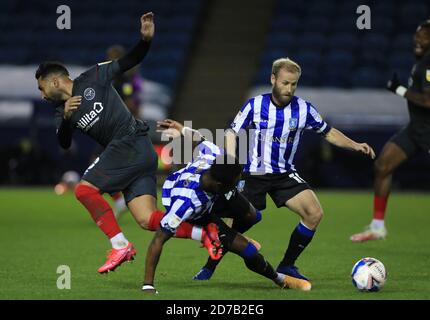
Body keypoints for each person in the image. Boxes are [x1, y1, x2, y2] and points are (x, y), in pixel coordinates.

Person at [35, 12, 215, 274]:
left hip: (129, 142)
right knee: (148, 219)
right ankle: (207, 234)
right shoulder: (61, 110)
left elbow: (131, 59)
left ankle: (120, 245)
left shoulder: (94, 77)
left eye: (41, 88)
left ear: (54, 80)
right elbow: (63, 143)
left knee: (84, 191)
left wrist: (145, 41)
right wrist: (66, 118)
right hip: (134, 154)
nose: (41, 95)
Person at [193, 57, 376, 290]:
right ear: (273, 79)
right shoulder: (255, 105)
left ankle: (287, 265)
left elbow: (328, 132)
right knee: (236, 228)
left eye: (293, 84)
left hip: (285, 175)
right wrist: (230, 163)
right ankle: (209, 267)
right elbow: (231, 132)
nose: (289, 89)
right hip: (254, 175)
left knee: (314, 213)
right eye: (285, 83)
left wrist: (355, 144)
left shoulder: (304, 109)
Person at [142, 122, 310, 294]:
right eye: (233, 184)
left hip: (212, 196)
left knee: (253, 216)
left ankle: (226, 238)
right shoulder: (184, 205)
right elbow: (157, 241)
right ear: (221, 184)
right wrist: (148, 285)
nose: (236, 186)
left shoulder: (214, 158)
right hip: (199, 215)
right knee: (249, 252)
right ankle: (280, 279)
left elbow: (202, 139)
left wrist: (183, 129)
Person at [351, 20, 430, 242]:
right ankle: (377, 227)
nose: (418, 39)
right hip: (416, 129)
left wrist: (399, 89)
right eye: (417, 34)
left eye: (424, 35)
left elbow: (427, 100)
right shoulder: (422, 62)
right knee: (383, 166)